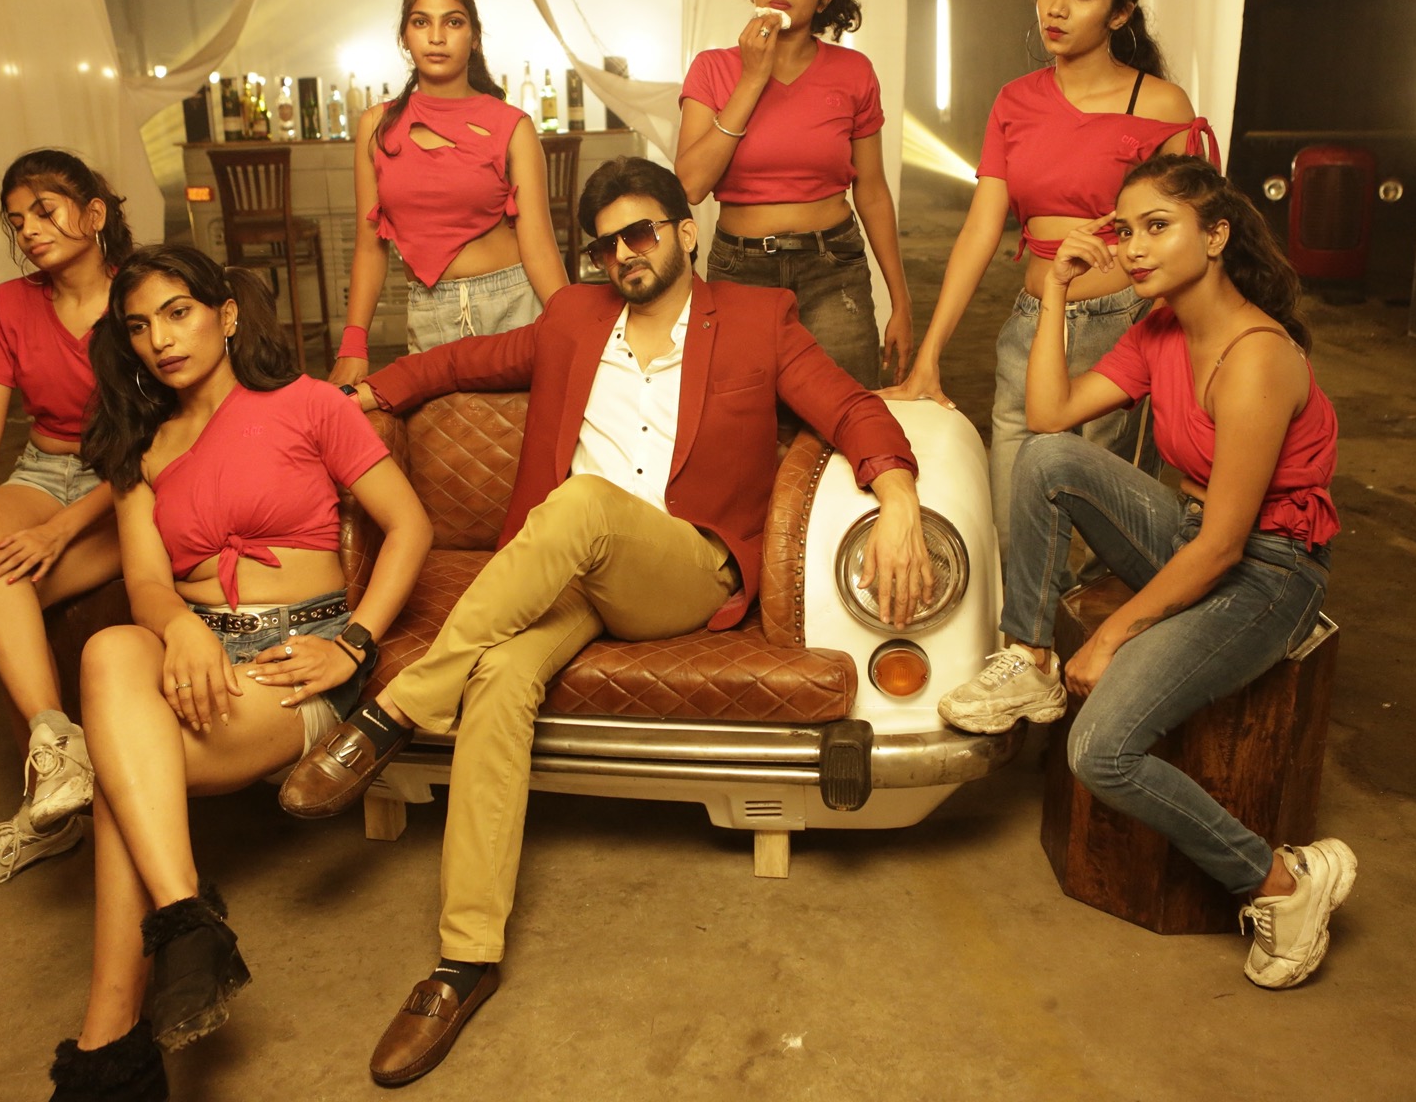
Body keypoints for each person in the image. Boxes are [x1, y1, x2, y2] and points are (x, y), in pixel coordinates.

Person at [278, 156, 931, 1086]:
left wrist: (897, 494)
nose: (624, 253)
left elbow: (850, 405)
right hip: (572, 580)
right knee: (501, 677)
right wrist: (370, 394)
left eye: (641, 232)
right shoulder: (574, 319)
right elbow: (462, 361)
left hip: (684, 567)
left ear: (685, 232)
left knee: (582, 504)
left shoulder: (758, 319)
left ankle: (389, 714)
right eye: (605, 245)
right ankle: (464, 961)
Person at [938, 155, 1354, 990]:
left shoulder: (1257, 358)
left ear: (1217, 235)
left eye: (1157, 227)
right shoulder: (1161, 328)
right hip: (1193, 533)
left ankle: (1280, 882)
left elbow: (1226, 547)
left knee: (1100, 751)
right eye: (1125, 230)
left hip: (1268, 570)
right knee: (1049, 458)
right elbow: (1050, 415)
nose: (1132, 248)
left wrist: (1112, 637)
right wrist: (1057, 292)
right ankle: (1029, 658)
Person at [44, 247, 431, 1099]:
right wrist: (181, 629)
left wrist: (354, 644)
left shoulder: (310, 403)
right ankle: (185, 920)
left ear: (224, 315)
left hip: (295, 661)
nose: (159, 339)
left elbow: (409, 527)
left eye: (177, 312)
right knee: (109, 648)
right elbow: (147, 583)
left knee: (118, 781)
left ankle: (112, 1042)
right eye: (138, 326)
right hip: (189, 651)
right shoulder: (140, 445)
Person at [884, 0, 1215, 555]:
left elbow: (1194, 238)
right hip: (1032, 323)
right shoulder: (1015, 101)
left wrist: (1190, 349)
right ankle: (1024, 624)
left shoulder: (1161, 104)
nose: (1056, 9)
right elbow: (981, 229)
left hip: (1126, 327)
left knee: (1108, 539)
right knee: (1014, 523)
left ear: (1120, 12)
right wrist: (930, 355)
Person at [0, 149, 134, 892]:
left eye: (45, 210)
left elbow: (156, 443)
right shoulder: (9, 303)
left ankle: (46, 820)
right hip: (44, 468)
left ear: (94, 214)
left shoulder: (140, 295)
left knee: (7, 593)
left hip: (128, 481)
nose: (29, 231)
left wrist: (61, 531)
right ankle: (56, 749)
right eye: (17, 221)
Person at [676, 0, 914, 389]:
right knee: (742, 415)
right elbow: (691, 185)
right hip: (740, 271)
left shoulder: (854, 72)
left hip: (833, 269)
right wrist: (752, 79)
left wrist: (901, 302)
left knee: (845, 411)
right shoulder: (712, 69)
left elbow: (872, 191)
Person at [330, 0, 568, 381]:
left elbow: (540, 249)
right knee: (435, 427)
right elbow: (369, 247)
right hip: (429, 313)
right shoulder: (376, 127)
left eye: (453, 22)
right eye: (421, 22)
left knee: (526, 424)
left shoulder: (512, 125)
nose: (437, 37)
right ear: (404, 37)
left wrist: (573, 330)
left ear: (474, 37)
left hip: (513, 308)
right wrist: (353, 346)